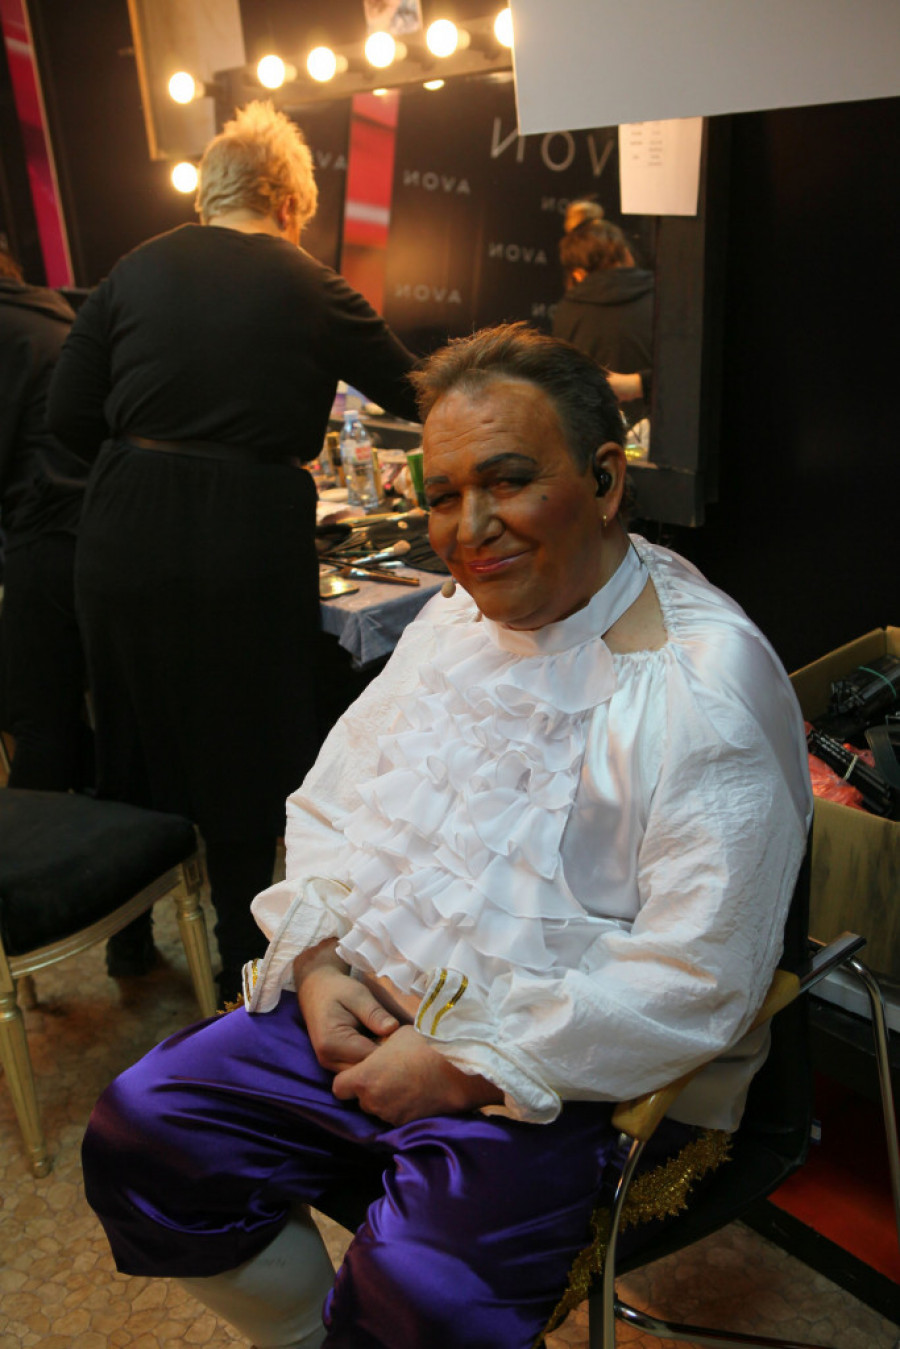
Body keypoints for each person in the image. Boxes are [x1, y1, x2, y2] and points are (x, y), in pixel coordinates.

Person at [81, 324, 812, 1349]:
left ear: (605, 480)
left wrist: (468, 1061)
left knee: (424, 1299)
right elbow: (335, 799)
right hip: (372, 999)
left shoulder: (698, 683)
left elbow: (698, 973)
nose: (470, 530)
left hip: (568, 1069)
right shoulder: (454, 616)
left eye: (509, 481)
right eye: (443, 494)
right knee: (147, 1126)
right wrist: (319, 960)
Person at [47, 102, 420, 996]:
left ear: (210, 194)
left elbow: (66, 418)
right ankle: (238, 958)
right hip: (245, 528)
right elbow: (421, 391)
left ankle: (128, 938)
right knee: (243, 738)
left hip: (124, 524)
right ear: (289, 200)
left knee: (131, 728)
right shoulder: (311, 283)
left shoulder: (133, 270)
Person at [0, 244, 92, 790]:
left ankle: (30, 841)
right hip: (95, 528)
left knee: (37, 721)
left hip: (46, 532)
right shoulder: (47, 313)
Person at [552, 217, 654, 424]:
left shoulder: (567, 311)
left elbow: (563, 386)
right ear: (626, 253)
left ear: (577, 273)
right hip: (662, 429)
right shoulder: (664, 299)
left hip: (594, 432)